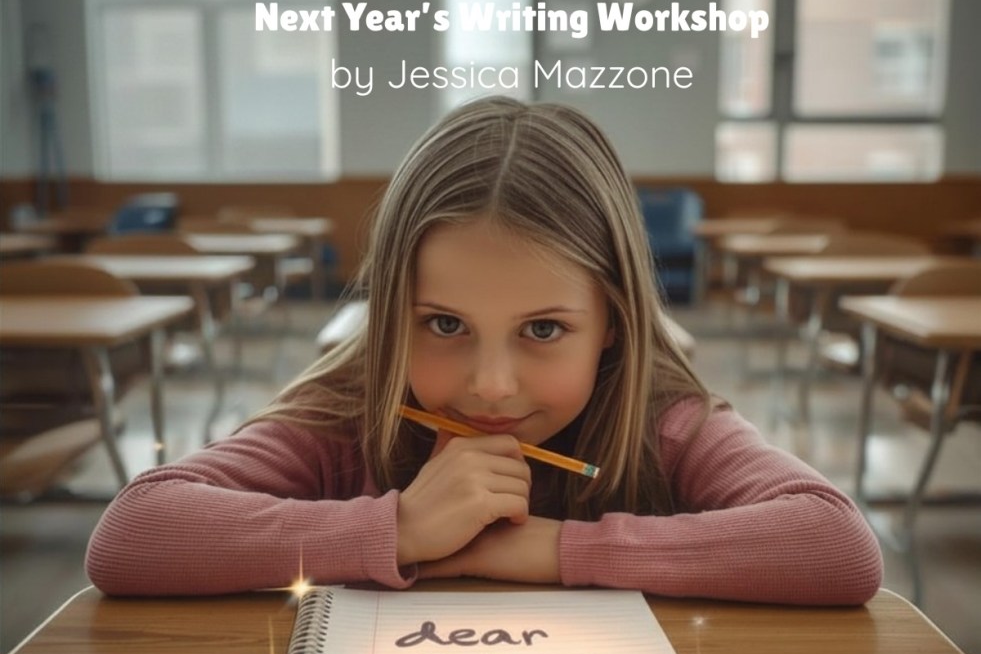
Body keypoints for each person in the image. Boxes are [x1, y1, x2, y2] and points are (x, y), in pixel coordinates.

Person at [86, 97, 882, 604]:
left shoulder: (659, 420)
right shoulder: (348, 411)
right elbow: (133, 533)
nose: (491, 387)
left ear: (612, 321)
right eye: (442, 324)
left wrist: (556, 549)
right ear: (391, 312)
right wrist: (395, 528)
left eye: (543, 329)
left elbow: (835, 546)